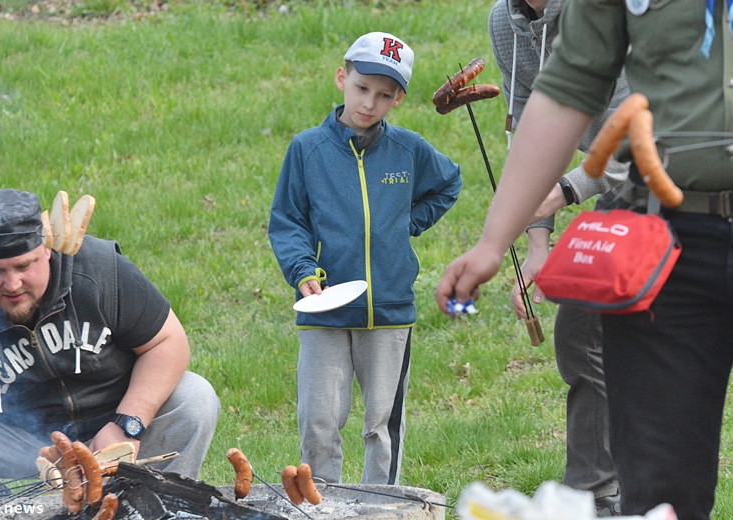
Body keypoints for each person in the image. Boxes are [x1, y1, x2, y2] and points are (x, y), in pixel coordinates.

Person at [437, 0, 731, 518]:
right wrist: (495, 241)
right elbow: (567, 88)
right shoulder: (512, 23)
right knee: (662, 497)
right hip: (668, 242)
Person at [268, 32, 462, 485]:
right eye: (361, 88)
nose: (369, 103)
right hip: (325, 310)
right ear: (342, 78)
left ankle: (382, 507)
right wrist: (303, 271)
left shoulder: (409, 150)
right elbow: (287, 221)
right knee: (318, 423)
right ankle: (323, 506)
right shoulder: (307, 149)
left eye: (384, 95)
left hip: (390, 312)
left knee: (382, 426)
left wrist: (408, 222)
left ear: (398, 99)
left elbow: (449, 183)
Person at [0, 188, 220, 499]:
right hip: (27, 442)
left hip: (115, 416)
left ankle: (158, 504)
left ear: (47, 248)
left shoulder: (99, 270)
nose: (12, 284)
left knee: (194, 397)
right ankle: (2, 512)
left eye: (24, 266)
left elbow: (167, 342)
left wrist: (127, 424)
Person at [488, 0, 630, 514]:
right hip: (617, 187)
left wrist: (565, 190)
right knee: (582, 328)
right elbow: (530, 132)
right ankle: (598, 492)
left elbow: (642, 135)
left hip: (680, 175)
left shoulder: (609, 10)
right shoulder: (505, 22)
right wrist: (537, 244)